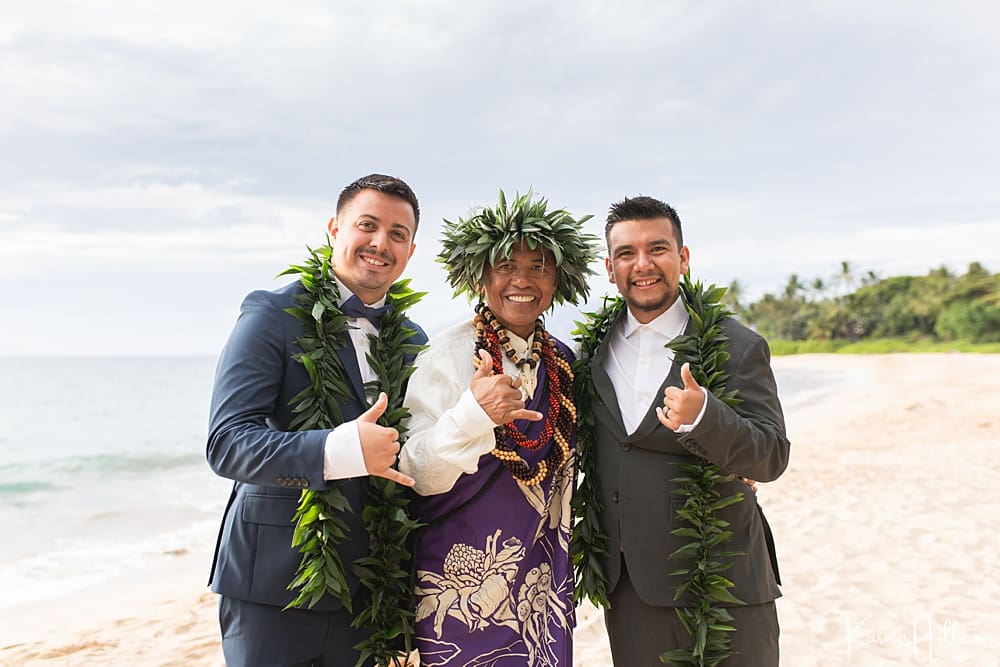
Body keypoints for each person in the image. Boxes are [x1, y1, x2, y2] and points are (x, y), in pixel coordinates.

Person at [206, 174, 426, 666]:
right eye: (366, 225)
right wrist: (341, 450)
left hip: (371, 591)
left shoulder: (413, 338)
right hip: (272, 584)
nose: (379, 243)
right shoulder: (271, 315)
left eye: (397, 233)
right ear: (334, 228)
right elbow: (228, 443)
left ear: (411, 250)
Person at [581, 196, 789, 665]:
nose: (643, 264)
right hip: (631, 591)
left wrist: (705, 418)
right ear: (610, 268)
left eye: (657, 248)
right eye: (626, 253)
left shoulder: (739, 347)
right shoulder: (590, 354)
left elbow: (772, 456)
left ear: (683, 257)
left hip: (726, 585)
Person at [398, 191, 599, 666]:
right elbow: (414, 472)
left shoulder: (564, 362)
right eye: (506, 266)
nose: (522, 281)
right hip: (459, 582)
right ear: (480, 276)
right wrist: (474, 412)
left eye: (539, 266)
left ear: (558, 279)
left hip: (541, 581)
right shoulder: (448, 355)